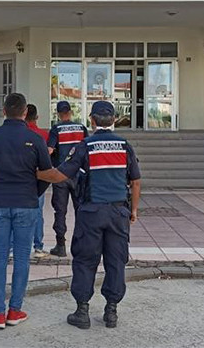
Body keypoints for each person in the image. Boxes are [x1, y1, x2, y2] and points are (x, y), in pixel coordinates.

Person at [38, 101, 141, 330]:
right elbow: (135, 181)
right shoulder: (125, 146)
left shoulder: (85, 146)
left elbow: (60, 175)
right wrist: (133, 210)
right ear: (114, 120)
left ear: (92, 120)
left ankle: (82, 311)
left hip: (91, 213)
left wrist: (34, 172)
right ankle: (111, 311)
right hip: (118, 213)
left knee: (85, 260)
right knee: (116, 261)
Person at [0, 93, 53, 329]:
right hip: (26, 203)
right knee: (22, 257)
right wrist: (34, 192)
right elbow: (46, 173)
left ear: (3, 111)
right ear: (25, 112)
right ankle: (14, 310)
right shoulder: (35, 139)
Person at [47, 100, 89, 257]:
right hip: (78, 176)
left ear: (58, 114)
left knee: (60, 211)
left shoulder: (56, 129)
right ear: (70, 112)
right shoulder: (81, 128)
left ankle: (61, 245)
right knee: (81, 210)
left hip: (61, 175)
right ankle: (81, 245)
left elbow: (49, 150)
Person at [24, 103, 49, 259]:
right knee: (37, 213)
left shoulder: (20, 134)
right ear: (37, 117)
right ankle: (38, 247)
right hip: (38, 179)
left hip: (21, 179)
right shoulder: (43, 135)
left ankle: (13, 247)